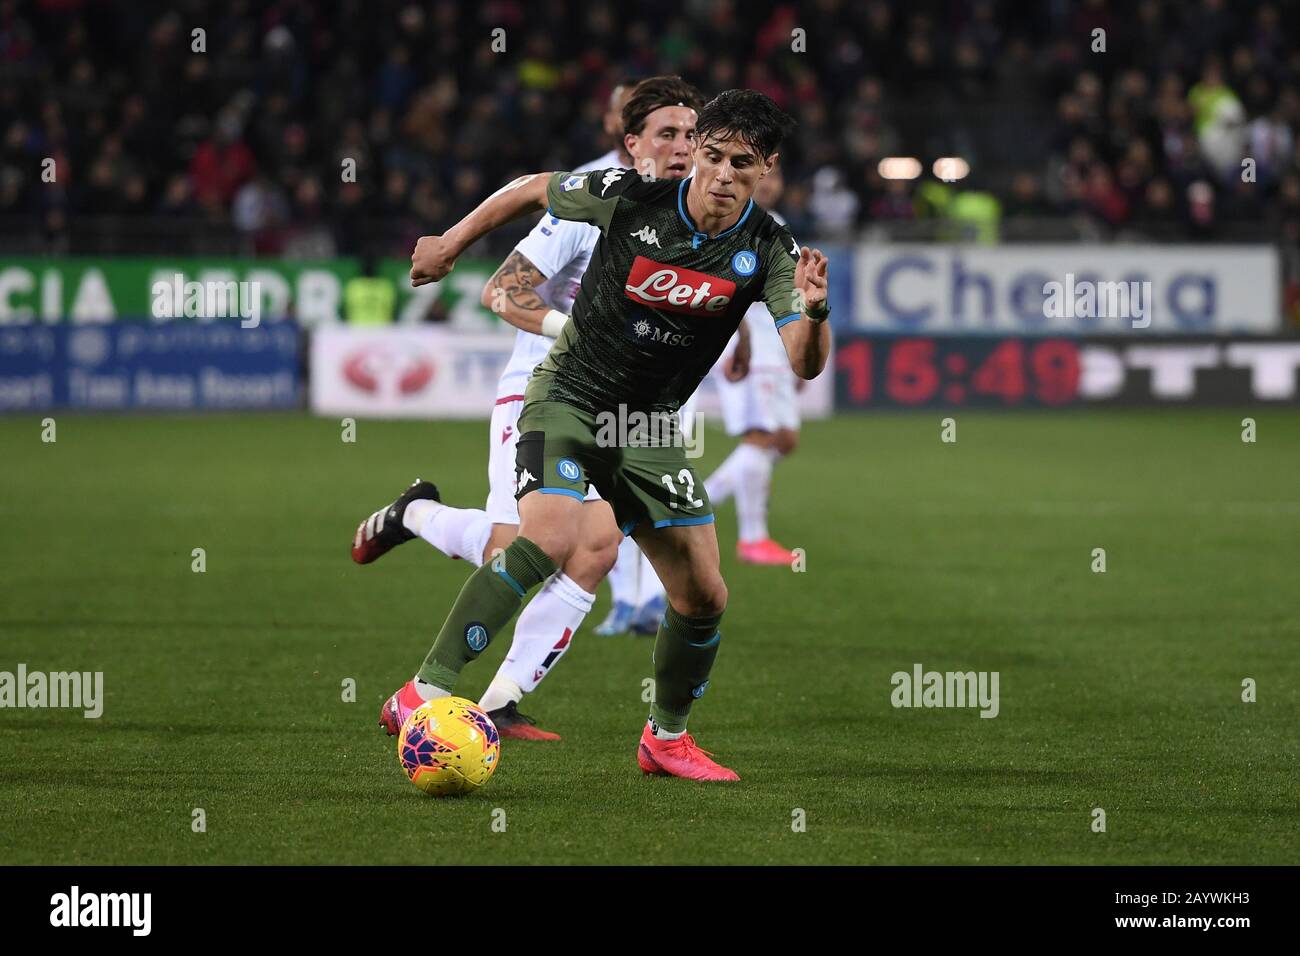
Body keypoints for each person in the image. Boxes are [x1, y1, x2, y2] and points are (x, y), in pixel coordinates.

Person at [394, 89, 829, 782]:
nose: (718, 174)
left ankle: (665, 739)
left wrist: (815, 309)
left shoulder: (770, 247)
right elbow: (532, 187)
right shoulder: (632, 195)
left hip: (649, 426)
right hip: (568, 394)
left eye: (739, 164)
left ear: (766, 168)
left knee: (704, 595)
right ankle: (426, 688)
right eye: (709, 155)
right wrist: (450, 243)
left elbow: (804, 361)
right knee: (549, 537)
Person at [352, 77, 703, 740]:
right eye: (667, 135)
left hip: (624, 406)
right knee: (525, 546)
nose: (683, 148)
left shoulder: (698, 210)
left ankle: (495, 704)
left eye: (691, 135)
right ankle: (416, 515)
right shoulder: (596, 197)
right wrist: (574, 332)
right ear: (631, 144)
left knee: (598, 545)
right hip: (544, 389)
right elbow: (504, 291)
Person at [704, 162, 804, 564]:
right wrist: (736, 341)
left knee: (784, 439)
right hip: (747, 346)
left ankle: (691, 504)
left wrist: (796, 353)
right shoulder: (728, 221)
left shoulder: (776, 224)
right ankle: (752, 537)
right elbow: (723, 286)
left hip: (775, 346)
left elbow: (790, 293)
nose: (771, 185)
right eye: (763, 178)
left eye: (777, 176)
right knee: (761, 437)